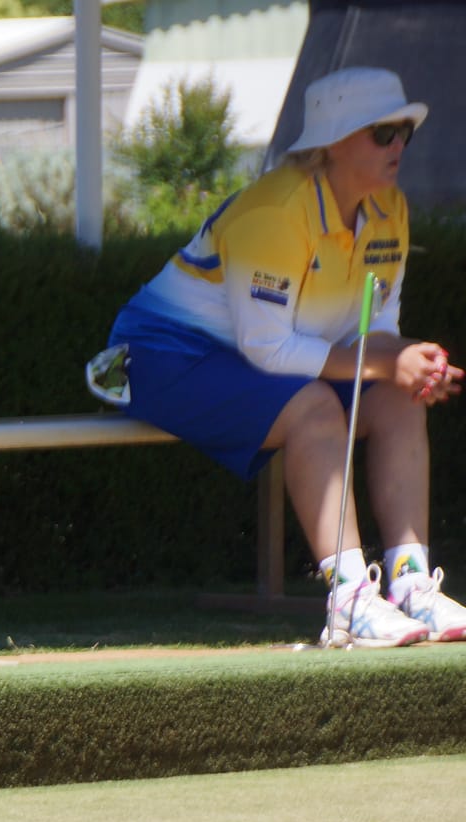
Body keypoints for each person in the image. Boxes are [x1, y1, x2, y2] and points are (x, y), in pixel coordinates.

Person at [97, 66, 465, 649]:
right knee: (314, 408)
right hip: (155, 354)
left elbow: (375, 334)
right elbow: (269, 349)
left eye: (404, 132)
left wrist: (414, 363)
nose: (398, 144)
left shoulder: (388, 208)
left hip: (253, 355)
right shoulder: (275, 213)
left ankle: (410, 582)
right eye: (382, 133)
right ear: (332, 142)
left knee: (399, 397)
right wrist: (385, 362)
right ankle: (349, 599)